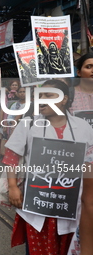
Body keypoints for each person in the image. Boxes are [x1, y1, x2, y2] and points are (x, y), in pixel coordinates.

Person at [4, 79, 93, 255]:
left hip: (71, 203)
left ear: (64, 99)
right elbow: (11, 157)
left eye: (49, 95)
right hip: (37, 203)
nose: (42, 99)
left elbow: (89, 163)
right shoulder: (28, 123)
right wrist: (13, 187)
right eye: (40, 96)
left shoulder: (82, 127)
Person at [68, 53, 93, 254]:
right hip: (78, 158)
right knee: (83, 204)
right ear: (79, 72)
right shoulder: (70, 97)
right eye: (89, 66)